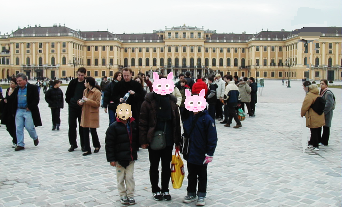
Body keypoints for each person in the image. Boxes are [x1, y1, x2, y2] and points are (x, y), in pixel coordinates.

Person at [139, 72, 181, 201]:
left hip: (168, 138)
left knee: (166, 166)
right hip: (153, 138)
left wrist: (178, 142)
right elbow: (142, 123)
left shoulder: (172, 102)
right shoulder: (148, 102)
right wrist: (144, 141)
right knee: (154, 165)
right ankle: (155, 189)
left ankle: (165, 189)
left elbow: (176, 123)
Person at [182, 89, 217, 206]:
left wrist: (210, 153)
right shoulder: (189, 117)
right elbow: (186, 131)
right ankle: (191, 192)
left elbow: (212, 138)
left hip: (202, 152)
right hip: (191, 150)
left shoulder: (207, 119)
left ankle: (201, 194)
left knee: (202, 175)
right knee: (191, 174)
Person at [105, 103, 138, 205]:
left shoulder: (133, 124)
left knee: (129, 177)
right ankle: (122, 195)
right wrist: (111, 159)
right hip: (119, 158)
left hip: (130, 157)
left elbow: (136, 139)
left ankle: (131, 195)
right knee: (120, 178)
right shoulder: (113, 127)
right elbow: (109, 144)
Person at [9, 73, 41, 151]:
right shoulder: (17, 89)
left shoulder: (32, 88)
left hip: (28, 110)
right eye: (17, 81)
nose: (18, 83)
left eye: (20, 81)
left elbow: (36, 99)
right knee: (18, 128)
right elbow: (11, 99)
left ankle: (35, 137)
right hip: (19, 110)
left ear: (25, 80)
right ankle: (20, 144)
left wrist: (30, 107)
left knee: (29, 127)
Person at [77, 77, 101, 156]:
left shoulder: (97, 92)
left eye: (85, 82)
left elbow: (97, 104)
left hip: (92, 113)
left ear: (89, 83)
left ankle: (97, 145)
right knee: (85, 131)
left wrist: (88, 100)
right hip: (85, 113)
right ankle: (87, 149)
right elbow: (84, 100)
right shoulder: (85, 91)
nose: (84, 83)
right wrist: (80, 102)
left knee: (93, 131)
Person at [65, 67, 86, 152]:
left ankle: (84, 144)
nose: (80, 77)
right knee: (72, 126)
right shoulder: (73, 82)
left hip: (82, 107)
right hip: (73, 107)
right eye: (79, 75)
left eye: (82, 75)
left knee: (82, 126)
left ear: (85, 75)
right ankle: (73, 144)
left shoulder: (86, 83)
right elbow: (68, 93)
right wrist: (70, 101)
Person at [301, 84, 325, 151]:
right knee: (318, 130)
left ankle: (315, 145)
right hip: (320, 115)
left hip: (313, 115)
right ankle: (313, 142)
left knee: (313, 130)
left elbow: (305, 106)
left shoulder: (309, 96)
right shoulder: (318, 94)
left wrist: (302, 114)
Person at [1, 78, 18, 147]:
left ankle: (15, 140)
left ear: (16, 84)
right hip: (7, 110)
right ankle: (14, 138)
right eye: (10, 83)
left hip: (14, 110)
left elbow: (16, 100)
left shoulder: (17, 91)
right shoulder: (8, 90)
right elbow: (6, 98)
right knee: (8, 127)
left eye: (12, 83)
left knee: (14, 126)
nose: (10, 84)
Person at [319, 79, 335, 146]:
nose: (321, 85)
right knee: (324, 126)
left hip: (327, 113)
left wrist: (324, 112)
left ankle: (325, 141)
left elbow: (329, 104)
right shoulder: (323, 92)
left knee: (326, 127)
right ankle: (322, 140)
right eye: (320, 83)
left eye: (322, 84)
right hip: (324, 112)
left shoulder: (328, 93)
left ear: (326, 85)